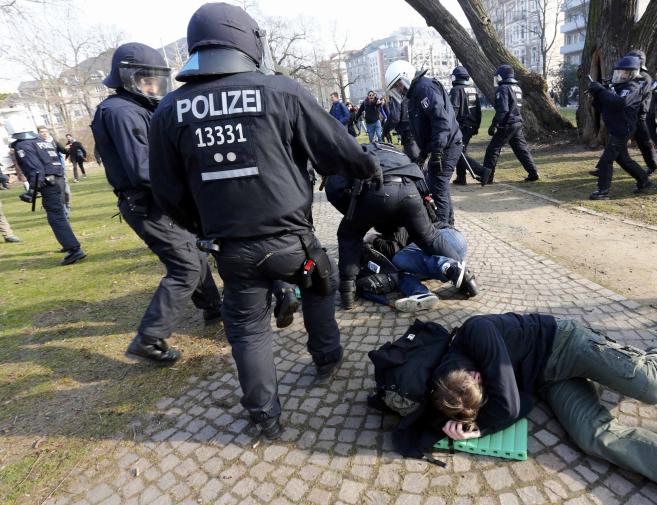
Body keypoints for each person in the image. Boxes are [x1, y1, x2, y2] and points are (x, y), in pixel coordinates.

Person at [148, 3, 381, 439]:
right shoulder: (281, 91)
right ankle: (327, 357)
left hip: (232, 250)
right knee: (319, 286)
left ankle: (263, 416)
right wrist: (369, 168)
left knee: (247, 329)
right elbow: (336, 147)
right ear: (245, 39)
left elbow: (166, 192)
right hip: (293, 242)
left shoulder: (168, 111)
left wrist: (204, 228)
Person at [428, 313, 657, 505]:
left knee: (653, 386)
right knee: (594, 437)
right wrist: (462, 424)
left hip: (566, 343)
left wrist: (478, 430)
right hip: (549, 380)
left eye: (484, 385)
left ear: (475, 374)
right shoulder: (457, 383)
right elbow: (521, 405)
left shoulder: (477, 330)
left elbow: (507, 407)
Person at [91, 42, 223, 365]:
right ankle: (149, 338)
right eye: (146, 81)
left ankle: (212, 305)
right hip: (149, 205)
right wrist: (187, 182)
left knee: (195, 250)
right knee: (186, 266)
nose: (153, 88)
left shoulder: (136, 108)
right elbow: (142, 169)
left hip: (159, 200)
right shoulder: (120, 111)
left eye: (156, 81)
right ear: (127, 78)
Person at [324, 143, 475, 310]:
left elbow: (335, 190)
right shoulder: (395, 152)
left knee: (349, 235)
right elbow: (420, 180)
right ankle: (461, 273)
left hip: (375, 190)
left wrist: (355, 213)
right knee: (429, 237)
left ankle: (347, 294)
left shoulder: (351, 154)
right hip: (409, 190)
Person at [386, 60, 463, 225]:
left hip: (447, 144)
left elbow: (441, 121)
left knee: (438, 185)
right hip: (441, 144)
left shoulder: (425, 88)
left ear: (406, 76)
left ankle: (443, 228)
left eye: (399, 85)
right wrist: (424, 153)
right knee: (436, 184)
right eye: (396, 87)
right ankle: (447, 223)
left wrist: (437, 153)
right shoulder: (415, 93)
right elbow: (425, 127)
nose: (399, 89)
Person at [6, 116, 85, 264]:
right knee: (59, 214)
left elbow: (35, 170)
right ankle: (70, 245)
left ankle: (73, 249)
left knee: (56, 217)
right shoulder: (41, 141)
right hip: (58, 179)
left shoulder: (23, 145)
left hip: (48, 184)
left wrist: (32, 190)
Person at [586, 56, 653, 200]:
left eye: (623, 72)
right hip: (616, 128)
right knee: (623, 159)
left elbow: (619, 102)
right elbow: (603, 106)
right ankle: (644, 180)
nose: (619, 75)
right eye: (618, 72)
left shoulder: (634, 87)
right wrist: (597, 93)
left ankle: (602, 191)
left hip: (623, 129)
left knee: (606, 159)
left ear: (631, 73)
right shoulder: (618, 87)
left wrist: (601, 92)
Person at [481, 64, 540, 184]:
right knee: (521, 150)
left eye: (497, 77)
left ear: (502, 76)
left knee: (493, 149)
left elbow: (503, 109)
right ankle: (533, 173)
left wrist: (494, 125)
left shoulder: (503, 88)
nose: (496, 79)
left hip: (507, 124)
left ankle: (487, 177)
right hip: (517, 122)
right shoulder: (516, 87)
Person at [448, 66, 483, 186]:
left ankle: (482, 171)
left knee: (457, 152)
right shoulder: (472, 90)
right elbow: (478, 110)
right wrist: (477, 127)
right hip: (471, 126)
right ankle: (461, 177)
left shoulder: (456, 90)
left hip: (461, 127)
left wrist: (449, 127)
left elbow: (453, 111)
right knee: (461, 150)